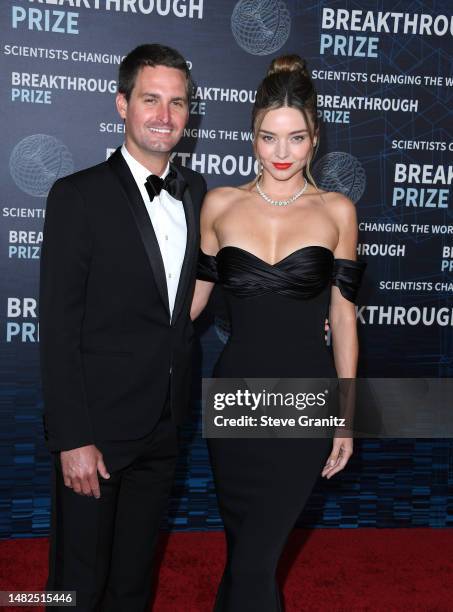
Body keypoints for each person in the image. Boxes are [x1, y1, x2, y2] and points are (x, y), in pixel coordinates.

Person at [191, 54, 366, 611]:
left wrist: (346, 412)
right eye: (269, 138)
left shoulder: (337, 211)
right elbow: (189, 306)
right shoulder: (219, 205)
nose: (282, 154)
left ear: (315, 139)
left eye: (296, 138)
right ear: (252, 136)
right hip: (235, 397)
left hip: (304, 400)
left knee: (257, 554)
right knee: (246, 550)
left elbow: (342, 316)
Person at [39, 44, 206, 611]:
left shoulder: (196, 193)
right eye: (150, 99)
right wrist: (72, 438)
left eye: (177, 102)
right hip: (96, 432)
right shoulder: (77, 196)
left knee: (134, 583)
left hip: (163, 424)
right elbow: (57, 328)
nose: (164, 116)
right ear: (122, 105)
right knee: (75, 585)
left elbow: (183, 302)